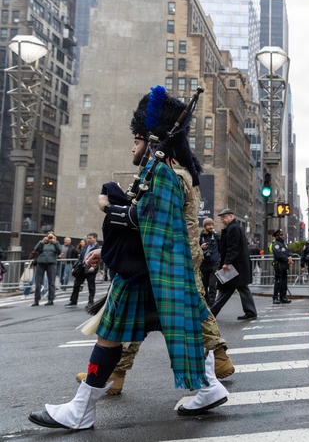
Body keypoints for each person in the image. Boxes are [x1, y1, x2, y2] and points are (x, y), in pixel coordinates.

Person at [29, 86, 225, 430]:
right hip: (157, 271)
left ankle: (81, 409)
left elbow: (150, 221)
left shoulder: (165, 173)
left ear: (151, 139)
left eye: (136, 140)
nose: (132, 147)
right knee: (185, 327)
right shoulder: (161, 171)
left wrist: (111, 207)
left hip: (150, 271)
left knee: (112, 333)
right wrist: (108, 246)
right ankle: (208, 386)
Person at [211, 208, 257, 320]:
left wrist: (227, 262)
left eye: (224, 218)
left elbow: (233, 247)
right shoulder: (234, 228)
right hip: (237, 265)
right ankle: (250, 312)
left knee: (226, 289)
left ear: (230, 216)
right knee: (239, 288)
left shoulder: (233, 228)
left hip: (235, 265)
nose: (222, 220)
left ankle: (212, 313)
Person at [65, 233, 101, 307]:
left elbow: (100, 260)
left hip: (91, 269)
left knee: (91, 286)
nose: (88, 240)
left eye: (90, 238)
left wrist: (94, 267)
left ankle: (90, 302)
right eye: (88, 238)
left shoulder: (99, 248)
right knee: (76, 284)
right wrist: (75, 266)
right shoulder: (86, 246)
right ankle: (73, 300)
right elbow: (81, 257)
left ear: (95, 238)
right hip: (82, 268)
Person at [31, 232, 61, 306]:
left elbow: (59, 251)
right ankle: (36, 300)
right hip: (40, 263)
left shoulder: (56, 243)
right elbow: (36, 249)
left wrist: (55, 242)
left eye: (51, 237)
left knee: (51, 282)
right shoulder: (42, 243)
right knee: (38, 282)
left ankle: (51, 299)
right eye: (48, 236)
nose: (50, 238)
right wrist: (42, 242)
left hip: (51, 263)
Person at [200, 218, 221, 306]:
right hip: (204, 264)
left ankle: (212, 304)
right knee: (204, 285)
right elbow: (195, 249)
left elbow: (221, 248)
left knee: (212, 285)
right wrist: (201, 247)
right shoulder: (200, 236)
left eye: (212, 225)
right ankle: (206, 303)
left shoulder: (216, 236)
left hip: (214, 264)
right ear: (205, 226)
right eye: (209, 225)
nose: (211, 226)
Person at [270, 229, 293, 304]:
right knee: (278, 282)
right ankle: (275, 297)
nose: (282, 236)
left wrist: (290, 256)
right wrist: (287, 259)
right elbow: (278, 254)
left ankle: (283, 297)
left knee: (284, 282)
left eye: (282, 235)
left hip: (284, 265)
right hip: (279, 265)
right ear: (277, 236)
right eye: (280, 235)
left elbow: (289, 251)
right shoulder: (276, 244)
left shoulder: (284, 244)